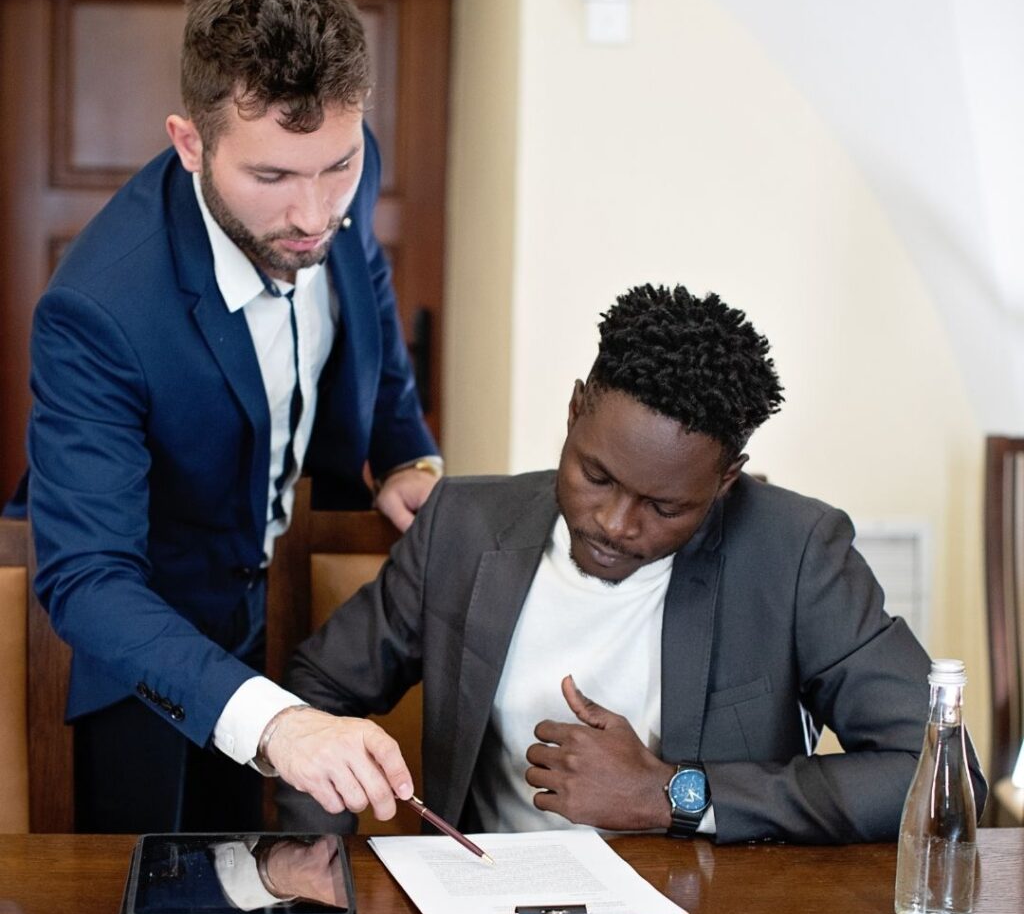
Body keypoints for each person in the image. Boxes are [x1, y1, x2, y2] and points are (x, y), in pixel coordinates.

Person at [274, 284, 988, 844]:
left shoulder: (797, 553)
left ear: (726, 478)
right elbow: (314, 695)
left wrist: (673, 795)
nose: (615, 524)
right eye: (597, 477)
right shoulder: (462, 526)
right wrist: (320, 878)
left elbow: (935, 772)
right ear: (575, 410)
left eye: (664, 507)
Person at [14, 0, 436, 833]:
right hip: (142, 644)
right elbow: (88, 575)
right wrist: (275, 723)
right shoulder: (97, 308)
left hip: (278, 597)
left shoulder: (334, 157)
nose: (316, 212)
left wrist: (402, 445)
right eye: (274, 178)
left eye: (339, 167)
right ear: (190, 142)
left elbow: (369, 290)